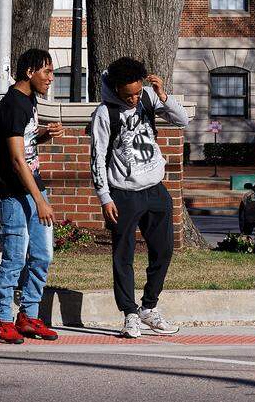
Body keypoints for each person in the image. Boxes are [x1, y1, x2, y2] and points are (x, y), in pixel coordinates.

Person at [89, 57, 189, 338]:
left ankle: (149, 308)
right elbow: (96, 157)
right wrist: (104, 197)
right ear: (116, 88)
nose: (134, 98)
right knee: (123, 255)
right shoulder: (105, 113)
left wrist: (163, 96)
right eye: (128, 94)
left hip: (155, 189)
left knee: (164, 250)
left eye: (137, 92)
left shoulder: (148, 97)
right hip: (122, 193)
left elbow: (182, 121)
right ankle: (130, 314)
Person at [0, 48, 64, 344]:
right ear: (29, 72)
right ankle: (2, 320)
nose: (51, 78)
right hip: (14, 195)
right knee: (15, 259)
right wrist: (40, 201)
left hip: (34, 189)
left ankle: (28, 316)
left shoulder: (29, 101)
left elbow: (25, 145)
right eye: (47, 72)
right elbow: (18, 161)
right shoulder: (13, 105)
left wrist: (42, 134)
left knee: (43, 255)